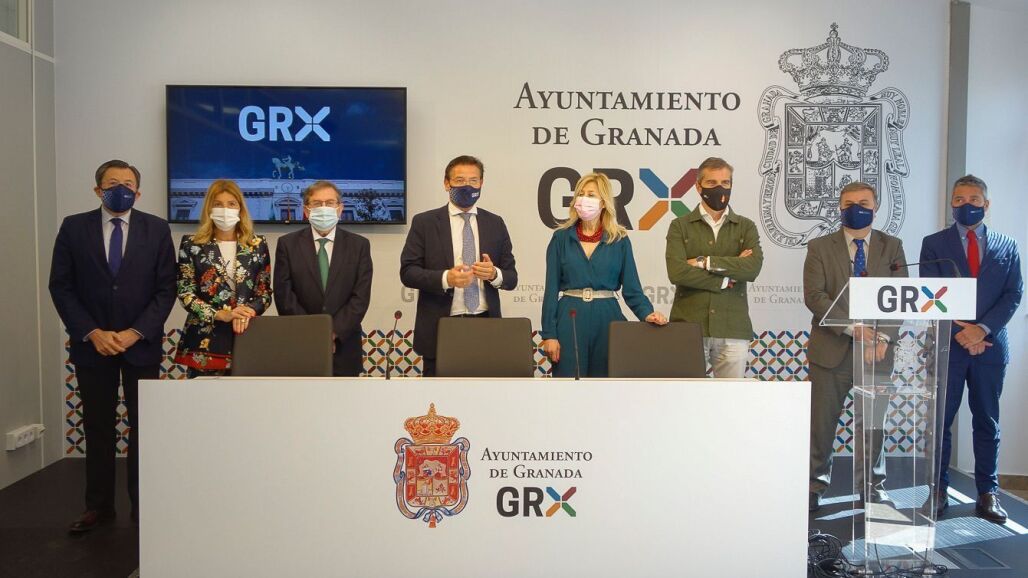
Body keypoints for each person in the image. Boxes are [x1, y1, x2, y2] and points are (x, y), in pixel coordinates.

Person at [49, 159, 177, 533]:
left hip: (141, 345)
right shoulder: (73, 227)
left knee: (143, 427)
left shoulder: (157, 229)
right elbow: (61, 286)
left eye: (128, 183)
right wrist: (92, 332)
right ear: (97, 190)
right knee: (98, 426)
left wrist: (136, 332)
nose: (121, 189)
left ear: (138, 192)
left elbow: (166, 289)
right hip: (93, 346)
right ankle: (98, 507)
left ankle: (143, 506)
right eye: (112, 183)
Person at [920, 175, 1023, 523]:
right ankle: (937, 490)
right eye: (959, 199)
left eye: (974, 199)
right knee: (941, 422)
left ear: (986, 204)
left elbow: (1013, 294)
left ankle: (987, 493)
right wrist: (963, 332)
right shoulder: (933, 243)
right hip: (949, 346)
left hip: (991, 347)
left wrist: (982, 330)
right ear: (952, 203)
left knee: (987, 421)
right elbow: (929, 293)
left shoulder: (1008, 245)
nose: (967, 205)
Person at [804, 181, 907, 513]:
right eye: (849, 203)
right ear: (839, 208)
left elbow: (901, 296)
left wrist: (883, 337)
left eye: (863, 203)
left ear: (875, 207)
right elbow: (815, 297)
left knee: (873, 426)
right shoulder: (819, 247)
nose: (856, 209)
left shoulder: (892, 246)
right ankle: (813, 485)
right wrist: (853, 328)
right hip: (830, 353)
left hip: (876, 354)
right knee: (821, 426)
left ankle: (872, 488)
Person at [540, 172, 668, 377]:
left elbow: (632, 289)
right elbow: (551, 290)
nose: (584, 199)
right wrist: (549, 334)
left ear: (603, 202)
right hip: (570, 318)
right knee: (568, 382)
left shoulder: (620, 239)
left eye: (591, 195)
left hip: (607, 318)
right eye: (580, 194)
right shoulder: (560, 238)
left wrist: (647, 313)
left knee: (606, 383)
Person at [400, 155, 518, 377]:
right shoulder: (425, 222)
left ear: (481, 183)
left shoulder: (495, 223)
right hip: (441, 327)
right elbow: (408, 272)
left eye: (473, 181)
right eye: (460, 180)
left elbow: (511, 278)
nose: (467, 186)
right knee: (439, 395)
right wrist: (447, 278)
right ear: (447, 183)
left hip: (486, 326)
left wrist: (494, 274)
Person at [665, 157, 763, 377]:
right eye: (711, 183)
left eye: (725, 183)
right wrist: (726, 279)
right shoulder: (679, 226)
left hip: (733, 327)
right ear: (698, 187)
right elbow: (677, 272)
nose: (719, 188)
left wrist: (704, 262)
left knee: (730, 397)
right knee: (687, 394)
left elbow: (752, 268)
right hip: (689, 325)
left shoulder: (746, 226)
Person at [274, 181, 373, 376]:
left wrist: (333, 332)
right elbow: (284, 296)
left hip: (345, 347)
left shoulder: (359, 245)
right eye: (317, 203)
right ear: (306, 210)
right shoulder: (287, 244)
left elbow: (360, 298)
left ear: (340, 208)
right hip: (301, 345)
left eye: (330, 203)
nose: (324, 208)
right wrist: (315, 333)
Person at [174, 179, 272, 376]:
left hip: (246, 336)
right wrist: (220, 314)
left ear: (240, 209)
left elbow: (265, 292)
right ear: (209, 208)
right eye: (218, 204)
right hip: (204, 342)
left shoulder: (257, 244)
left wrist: (249, 311)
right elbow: (185, 292)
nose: (225, 209)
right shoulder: (191, 244)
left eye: (231, 204)